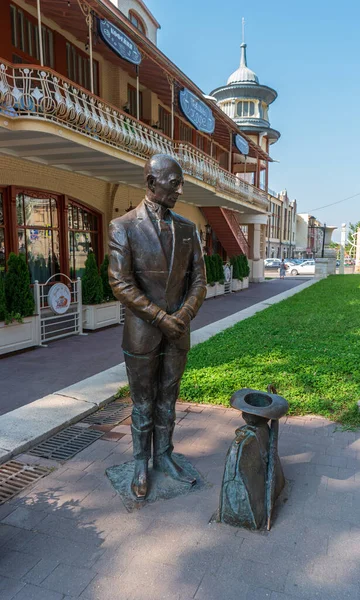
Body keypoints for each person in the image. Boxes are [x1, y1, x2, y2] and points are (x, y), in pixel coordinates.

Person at [108, 154, 207, 499]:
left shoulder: (187, 228)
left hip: (178, 331)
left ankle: (163, 455)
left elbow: (199, 281)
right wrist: (160, 317)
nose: (180, 189)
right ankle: (139, 462)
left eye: (181, 183)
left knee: (169, 397)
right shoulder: (124, 227)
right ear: (152, 183)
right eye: (173, 183)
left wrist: (183, 316)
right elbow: (120, 283)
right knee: (142, 402)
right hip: (143, 332)